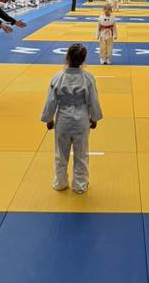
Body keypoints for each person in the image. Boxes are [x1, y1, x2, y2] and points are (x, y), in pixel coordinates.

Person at [41, 44, 103, 194]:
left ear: (67, 57)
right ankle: (80, 185)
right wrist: (94, 118)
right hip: (81, 120)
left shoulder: (57, 78)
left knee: (61, 154)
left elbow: (51, 101)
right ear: (83, 60)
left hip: (63, 120)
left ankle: (60, 182)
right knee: (81, 154)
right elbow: (93, 101)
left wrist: (49, 119)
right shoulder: (88, 79)